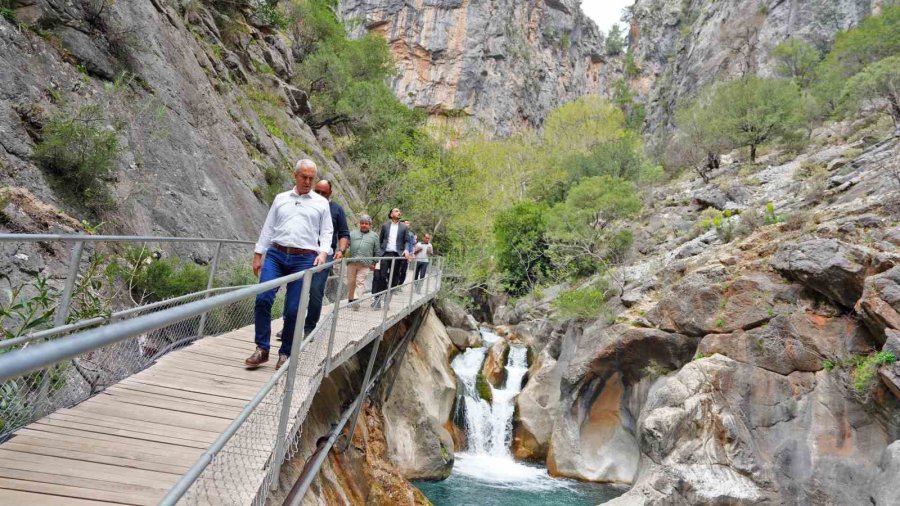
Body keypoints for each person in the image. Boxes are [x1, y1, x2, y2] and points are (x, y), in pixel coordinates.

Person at [245, 159, 332, 371]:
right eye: (304, 177)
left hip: (304, 259)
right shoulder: (281, 198)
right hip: (276, 255)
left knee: (293, 309)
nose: (308, 182)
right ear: (295, 175)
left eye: (311, 178)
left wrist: (323, 253)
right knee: (263, 298)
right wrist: (258, 253)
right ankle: (262, 348)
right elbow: (268, 227)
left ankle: (285, 353)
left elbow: (327, 231)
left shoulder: (321, 203)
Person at [304, 180, 350, 335]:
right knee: (296, 289)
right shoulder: (307, 204)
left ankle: (309, 328)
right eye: (317, 191)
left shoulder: (337, 209)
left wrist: (341, 250)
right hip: (303, 252)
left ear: (330, 193)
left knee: (315, 290)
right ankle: (289, 325)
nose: (320, 195)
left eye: (324, 193)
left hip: (326, 254)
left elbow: (344, 233)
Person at [371, 208, 410, 309]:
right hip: (385, 254)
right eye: (396, 211)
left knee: (394, 278)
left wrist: (406, 250)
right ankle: (377, 300)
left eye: (399, 211)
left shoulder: (404, 227)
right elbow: (380, 240)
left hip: (397, 255)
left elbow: (406, 241)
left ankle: (387, 301)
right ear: (391, 214)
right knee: (381, 276)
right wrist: (378, 253)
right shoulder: (385, 226)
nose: (399, 212)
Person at [346, 215, 378, 310]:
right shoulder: (352, 233)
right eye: (362, 223)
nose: (364, 225)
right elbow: (347, 245)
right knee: (351, 282)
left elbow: (377, 250)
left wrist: (374, 262)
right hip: (352, 262)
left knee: (360, 282)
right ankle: (351, 300)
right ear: (360, 224)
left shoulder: (374, 236)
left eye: (366, 224)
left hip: (365, 264)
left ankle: (356, 300)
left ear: (370, 225)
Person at [396, 219, 415, 286]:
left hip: (406, 255)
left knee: (404, 270)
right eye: (405, 223)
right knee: (397, 269)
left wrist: (411, 254)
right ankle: (395, 284)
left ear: (409, 225)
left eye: (407, 223)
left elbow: (411, 245)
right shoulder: (398, 232)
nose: (406, 224)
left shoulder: (411, 234)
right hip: (398, 253)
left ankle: (400, 283)